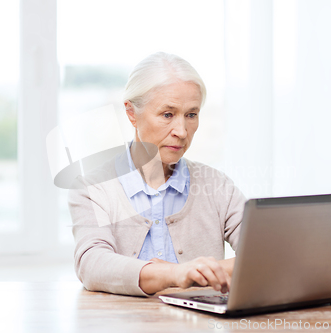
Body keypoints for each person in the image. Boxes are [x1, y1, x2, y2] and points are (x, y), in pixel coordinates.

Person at [68, 52, 246, 296]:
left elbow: (267, 254)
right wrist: (176, 274)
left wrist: (194, 273)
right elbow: (92, 264)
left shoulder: (218, 186)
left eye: (191, 115)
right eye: (167, 114)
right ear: (132, 113)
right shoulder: (93, 187)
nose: (182, 131)